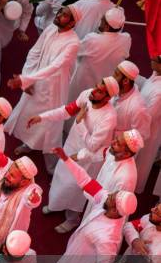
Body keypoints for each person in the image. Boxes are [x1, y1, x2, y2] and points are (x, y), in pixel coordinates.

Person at [41, 147, 137, 263]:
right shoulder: (105, 200)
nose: (108, 195)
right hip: (73, 253)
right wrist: (67, 159)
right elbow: (86, 181)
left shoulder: (109, 239)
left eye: (112, 198)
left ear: (115, 209)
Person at [29, 76, 118, 232]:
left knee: (75, 190)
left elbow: (92, 145)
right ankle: (55, 204)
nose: (94, 91)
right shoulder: (87, 94)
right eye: (96, 86)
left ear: (108, 97)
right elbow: (66, 110)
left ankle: (72, 219)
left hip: (87, 158)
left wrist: (80, 121)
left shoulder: (109, 118)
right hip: (70, 147)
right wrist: (42, 117)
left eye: (99, 91)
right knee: (60, 178)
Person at [5, 6, 80, 171]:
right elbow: (34, 52)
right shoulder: (51, 28)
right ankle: (29, 144)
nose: (59, 15)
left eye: (64, 15)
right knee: (28, 115)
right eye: (60, 12)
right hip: (36, 80)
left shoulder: (73, 43)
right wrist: (28, 77)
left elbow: (56, 66)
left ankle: (52, 165)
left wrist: (26, 79)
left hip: (54, 88)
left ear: (73, 22)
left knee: (50, 125)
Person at [67, 7, 131, 105]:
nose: (100, 21)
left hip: (83, 84)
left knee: (74, 107)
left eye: (102, 20)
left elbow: (74, 51)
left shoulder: (92, 39)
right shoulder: (126, 39)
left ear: (107, 27)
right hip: (104, 88)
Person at [82, 129, 142, 219]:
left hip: (103, 216)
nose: (112, 142)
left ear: (126, 153)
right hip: (95, 201)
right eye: (115, 139)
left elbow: (116, 210)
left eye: (117, 143)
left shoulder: (126, 178)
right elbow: (103, 153)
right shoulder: (115, 153)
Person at [111, 61, 152, 189]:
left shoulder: (137, 107)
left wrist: (120, 146)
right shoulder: (117, 89)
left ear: (125, 81)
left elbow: (142, 134)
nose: (112, 77)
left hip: (118, 150)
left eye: (116, 74)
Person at [0, 0, 33, 88]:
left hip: (11, 25)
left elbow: (27, 12)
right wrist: (0, 5)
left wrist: (22, 30)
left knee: (3, 42)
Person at [134, 55, 161, 193]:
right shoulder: (156, 74)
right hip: (139, 125)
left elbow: (149, 116)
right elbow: (147, 85)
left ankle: (134, 188)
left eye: (156, 60)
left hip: (148, 130)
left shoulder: (159, 93)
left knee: (141, 162)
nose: (152, 60)